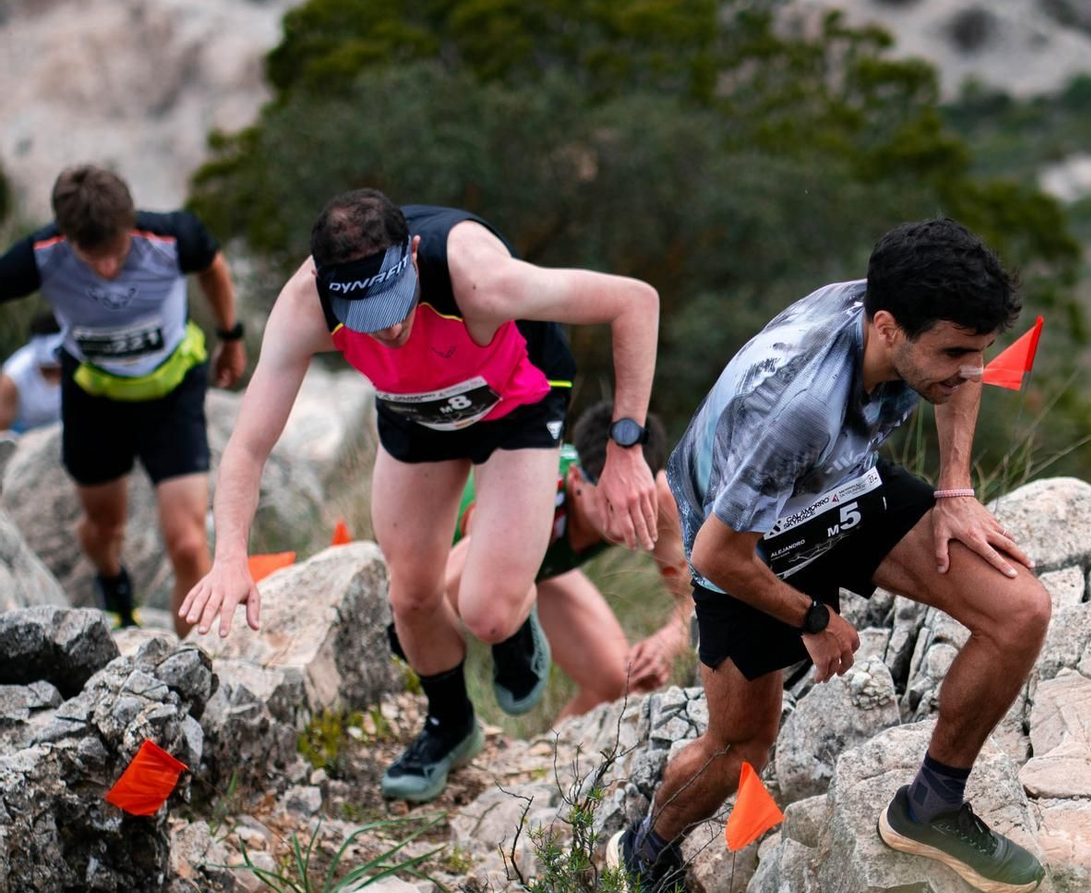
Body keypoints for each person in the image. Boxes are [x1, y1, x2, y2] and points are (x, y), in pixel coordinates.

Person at [611, 217, 1052, 893]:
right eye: (952, 354)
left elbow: (962, 375)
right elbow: (720, 555)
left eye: (978, 352)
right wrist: (814, 618)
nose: (969, 370)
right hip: (748, 540)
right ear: (886, 329)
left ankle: (932, 804)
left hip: (843, 487)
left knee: (1021, 611)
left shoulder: (910, 320)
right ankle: (646, 847)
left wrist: (954, 489)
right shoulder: (798, 406)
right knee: (741, 747)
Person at [182, 191, 660, 802]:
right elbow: (247, 448)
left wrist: (625, 448)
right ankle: (451, 725)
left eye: (394, 302)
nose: (386, 326)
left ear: (411, 254)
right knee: (408, 597)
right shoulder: (306, 305)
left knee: (488, 608)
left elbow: (634, 301)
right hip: (415, 411)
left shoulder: (481, 280)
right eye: (364, 315)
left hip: (515, 400)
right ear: (328, 289)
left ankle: (514, 632)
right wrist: (230, 559)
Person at [0, 165, 246, 629]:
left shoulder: (173, 236)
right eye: (92, 258)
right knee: (103, 529)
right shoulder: (41, 254)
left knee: (190, 544)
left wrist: (231, 336)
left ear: (130, 224)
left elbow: (213, 265)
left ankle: (191, 663)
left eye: (116, 253)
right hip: (96, 398)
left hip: (171, 394)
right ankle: (113, 582)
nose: (109, 269)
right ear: (67, 236)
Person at [442, 400, 692, 717]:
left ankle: (549, 758)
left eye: (635, 501)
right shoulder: (537, 495)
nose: (623, 523)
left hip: (540, 569)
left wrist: (669, 641)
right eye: (608, 501)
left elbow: (698, 599)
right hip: (476, 554)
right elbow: (446, 584)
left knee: (619, 679)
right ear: (576, 480)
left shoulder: (659, 502)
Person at [0, 311, 64, 433]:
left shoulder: (79, 364)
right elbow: (1, 430)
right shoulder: (13, 375)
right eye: (48, 370)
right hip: (24, 434)